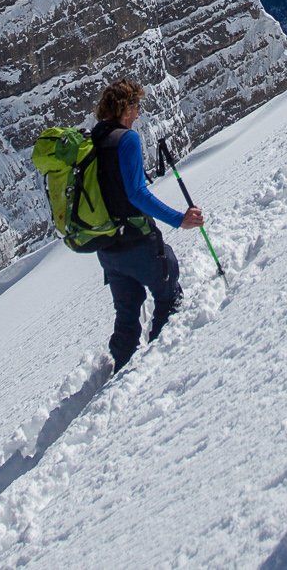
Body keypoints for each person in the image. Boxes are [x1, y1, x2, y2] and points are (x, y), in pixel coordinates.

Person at [89, 80, 205, 370]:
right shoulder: (126, 139)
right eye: (136, 106)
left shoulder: (94, 138)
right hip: (138, 244)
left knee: (127, 317)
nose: (139, 113)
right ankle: (158, 368)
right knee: (168, 295)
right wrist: (180, 219)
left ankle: (119, 372)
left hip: (107, 250)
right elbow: (136, 194)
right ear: (125, 108)